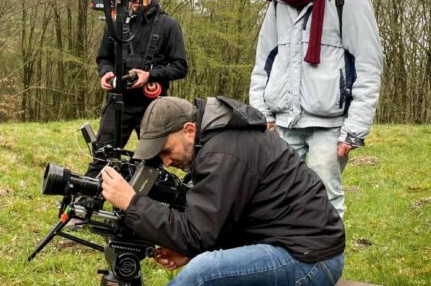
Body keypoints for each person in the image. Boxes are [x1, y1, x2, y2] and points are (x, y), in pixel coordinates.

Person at [101, 96, 345, 285]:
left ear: (189, 130)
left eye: (167, 150)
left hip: (310, 260)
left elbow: (197, 233)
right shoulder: (222, 140)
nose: (165, 162)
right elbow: (225, 220)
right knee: (203, 263)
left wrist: (132, 203)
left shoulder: (223, 152)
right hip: (295, 246)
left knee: (202, 273)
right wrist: (190, 251)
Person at [249, 0, 383, 218]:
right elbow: (264, 60)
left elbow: (368, 65)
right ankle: (290, 255)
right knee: (278, 198)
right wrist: (261, 114)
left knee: (323, 201)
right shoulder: (279, 0)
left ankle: (327, 257)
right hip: (283, 121)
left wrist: (355, 130)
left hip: (329, 124)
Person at [88, 0, 187, 178]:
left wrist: (150, 75)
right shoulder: (115, 22)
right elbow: (103, 57)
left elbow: (180, 66)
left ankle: (138, 207)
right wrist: (106, 73)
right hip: (119, 103)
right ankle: (84, 204)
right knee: (101, 159)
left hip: (153, 108)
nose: (133, 2)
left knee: (149, 167)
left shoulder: (168, 25)